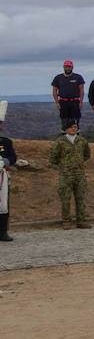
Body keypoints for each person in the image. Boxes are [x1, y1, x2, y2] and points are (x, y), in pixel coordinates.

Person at [49, 122, 92, 229]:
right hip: (65, 176)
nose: (74, 129)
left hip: (79, 175)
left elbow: (87, 155)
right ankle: (66, 221)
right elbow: (52, 159)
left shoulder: (82, 141)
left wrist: (79, 164)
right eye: (71, 127)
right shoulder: (60, 142)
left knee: (81, 198)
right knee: (65, 199)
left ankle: (81, 221)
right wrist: (62, 168)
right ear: (66, 129)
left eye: (75, 127)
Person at [52, 60, 85, 128]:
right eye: (66, 67)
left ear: (72, 67)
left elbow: (81, 90)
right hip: (63, 102)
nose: (67, 68)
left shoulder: (78, 77)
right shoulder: (58, 78)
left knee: (75, 121)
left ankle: (76, 137)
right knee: (64, 121)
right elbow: (54, 90)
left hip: (75, 102)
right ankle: (64, 137)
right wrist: (57, 103)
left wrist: (81, 102)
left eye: (69, 67)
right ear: (63, 67)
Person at [0, 102, 16, 241]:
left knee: (4, 204)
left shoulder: (6, 142)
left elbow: (13, 157)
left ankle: (3, 231)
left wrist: (5, 162)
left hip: (2, 177)